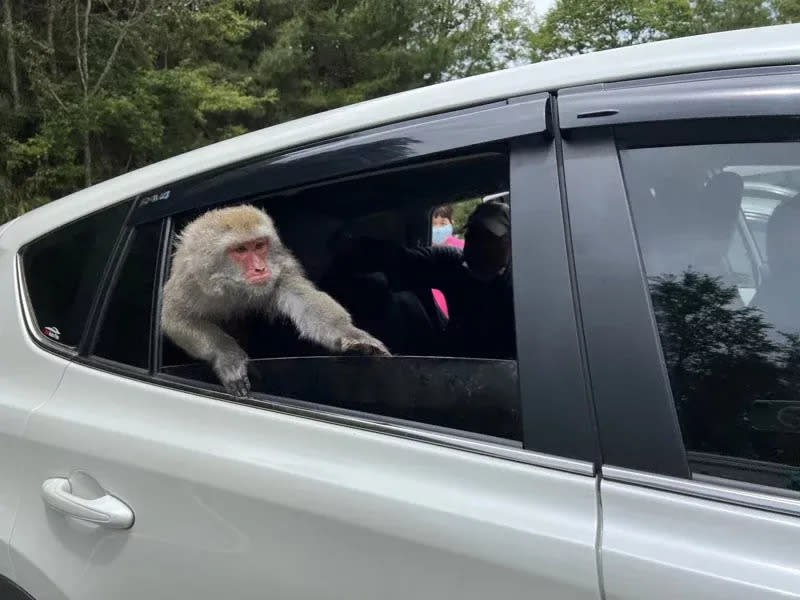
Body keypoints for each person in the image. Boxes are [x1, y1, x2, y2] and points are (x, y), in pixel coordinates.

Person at [342, 200, 515, 360]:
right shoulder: (452, 264)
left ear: (509, 243)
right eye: (473, 233)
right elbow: (401, 260)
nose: (476, 242)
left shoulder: (518, 286)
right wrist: (347, 245)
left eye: (488, 237)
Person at [430, 205, 464, 316]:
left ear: (451, 223)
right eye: (434, 224)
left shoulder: (462, 246)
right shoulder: (423, 250)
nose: (438, 228)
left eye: (443, 223)